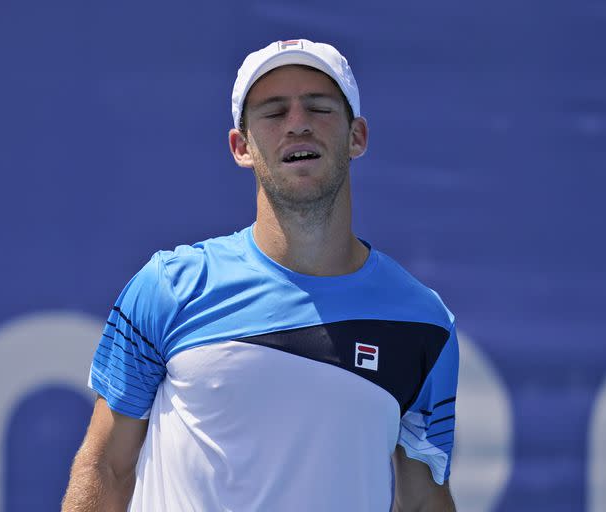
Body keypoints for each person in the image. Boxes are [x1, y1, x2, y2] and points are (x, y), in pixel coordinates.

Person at [62, 38, 459, 512]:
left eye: (318, 107)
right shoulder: (168, 287)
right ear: (241, 146)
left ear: (357, 137)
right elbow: (105, 466)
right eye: (274, 112)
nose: (298, 124)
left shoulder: (424, 323)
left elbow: (422, 501)